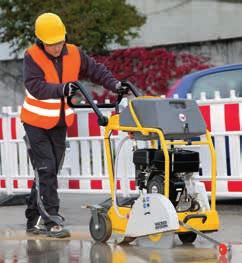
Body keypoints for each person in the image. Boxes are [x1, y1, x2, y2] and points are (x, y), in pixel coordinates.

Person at [20, 12, 121, 238]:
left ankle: (31, 216)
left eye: (59, 42)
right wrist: (62, 89)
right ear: (41, 41)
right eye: (51, 44)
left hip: (60, 122)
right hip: (35, 123)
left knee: (49, 170)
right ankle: (52, 221)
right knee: (46, 168)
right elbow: (35, 86)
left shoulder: (74, 53)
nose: (57, 47)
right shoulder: (32, 56)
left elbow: (95, 70)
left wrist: (114, 84)